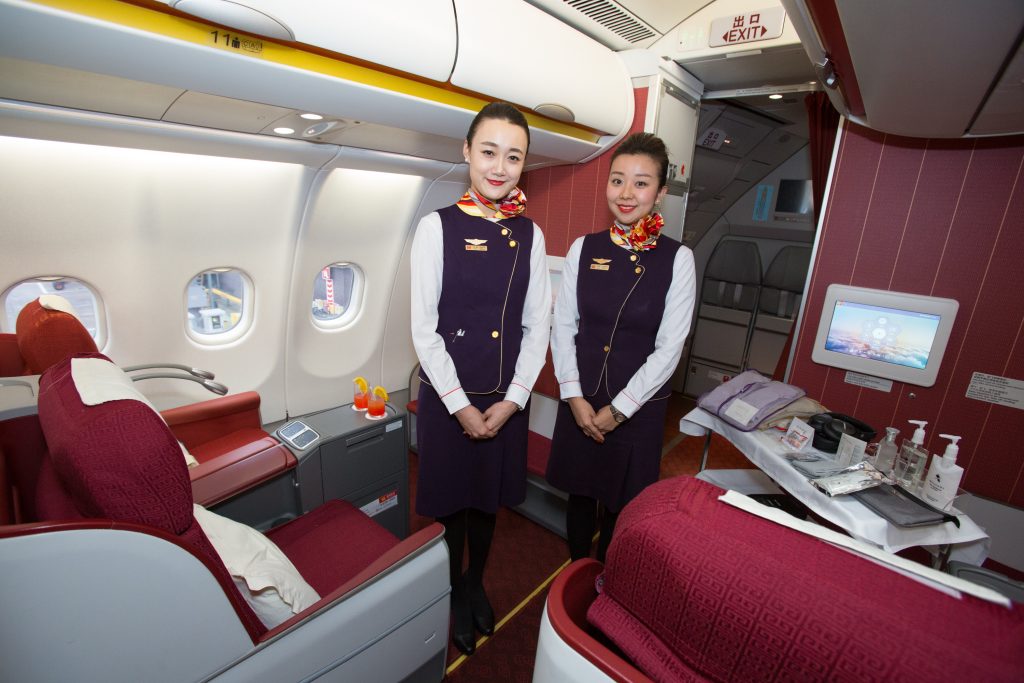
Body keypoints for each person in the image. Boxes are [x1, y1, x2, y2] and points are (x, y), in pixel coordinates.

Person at [410, 102, 551, 655]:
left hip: (504, 398)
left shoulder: (531, 235)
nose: (499, 166)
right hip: (453, 397)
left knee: (488, 503)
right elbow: (424, 330)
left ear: (524, 164)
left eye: (513, 156)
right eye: (488, 151)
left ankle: (475, 583)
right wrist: (458, 405)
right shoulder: (435, 227)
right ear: (466, 151)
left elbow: (536, 324)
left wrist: (515, 399)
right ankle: (451, 589)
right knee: (452, 506)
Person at [545, 132, 696, 563]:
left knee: (619, 504)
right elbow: (565, 325)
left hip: (637, 406)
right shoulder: (584, 248)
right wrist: (573, 396)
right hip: (582, 396)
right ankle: (576, 566)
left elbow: (670, 347)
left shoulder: (676, 259)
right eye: (617, 181)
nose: (626, 194)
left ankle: (607, 578)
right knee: (579, 494)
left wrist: (621, 409)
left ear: (661, 192)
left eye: (641, 182)